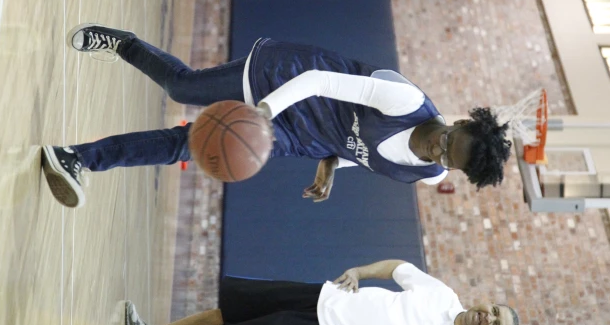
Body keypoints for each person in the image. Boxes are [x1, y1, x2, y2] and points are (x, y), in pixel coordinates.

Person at [41, 24, 512, 208]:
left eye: (450, 157)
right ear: (456, 122)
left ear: (453, 171)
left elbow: (367, 155)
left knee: (185, 145)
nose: (440, 148)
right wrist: (261, 113)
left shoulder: (426, 175)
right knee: (181, 86)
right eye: (449, 138)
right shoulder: (402, 99)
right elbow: (323, 81)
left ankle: (78, 159)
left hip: (294, 137)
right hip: (286, 81)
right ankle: (122, 44)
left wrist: (331, 166)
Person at [118, 259, 519, 325]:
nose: (489, 317)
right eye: (495, 309)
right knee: (229, 316)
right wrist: (361, 271)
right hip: (326, 295)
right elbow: (399, 268)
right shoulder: (444, 295)